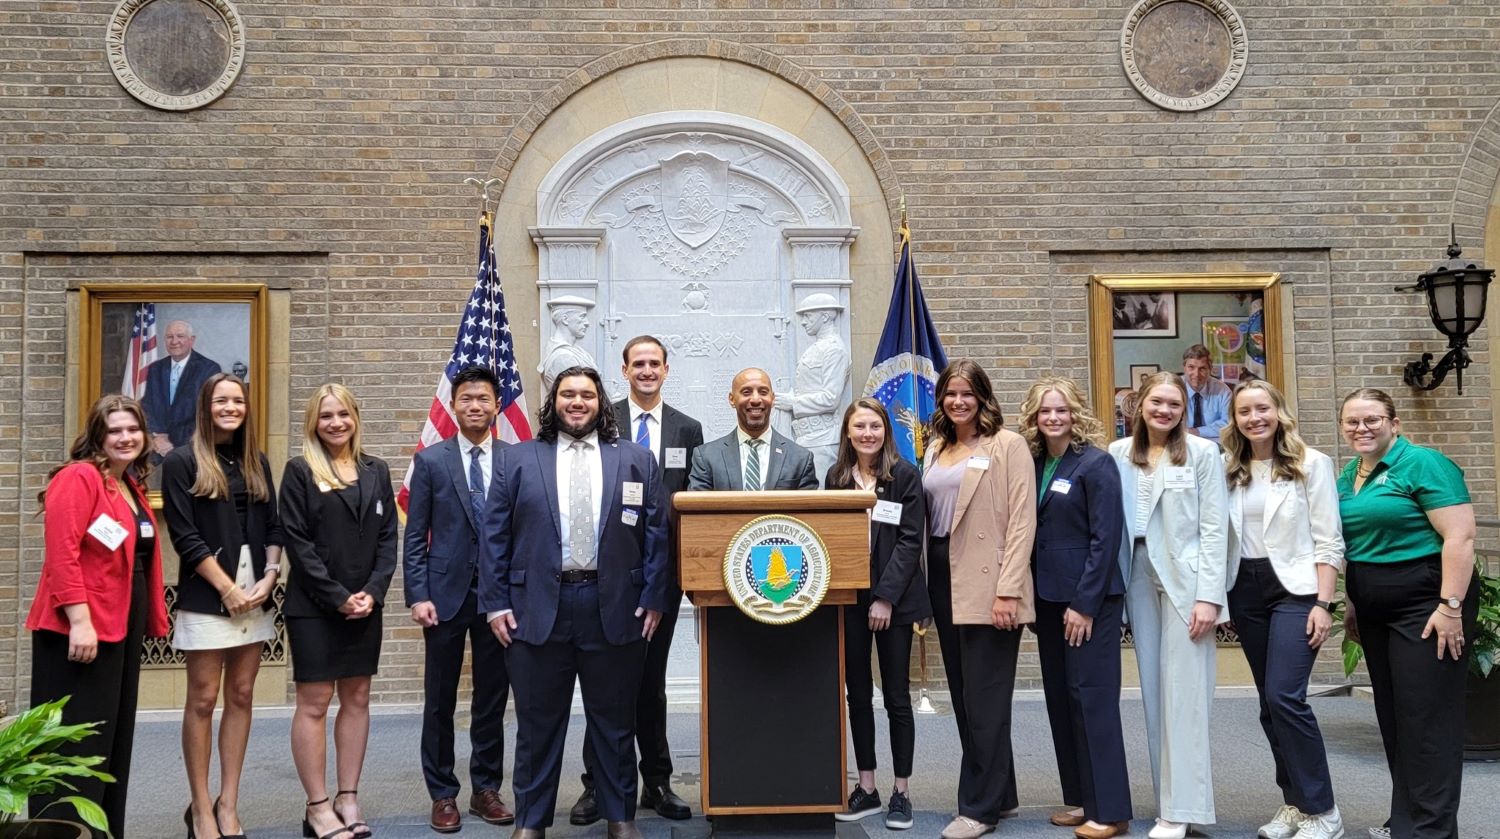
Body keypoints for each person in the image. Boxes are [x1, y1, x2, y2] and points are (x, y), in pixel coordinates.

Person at [481, 366, 670, 839]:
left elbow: (656, 536)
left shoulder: (636, 459)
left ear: (600, 402)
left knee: (614, 722)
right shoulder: (517, 460)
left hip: (616, 607)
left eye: (587, 394)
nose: (578, 402)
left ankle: (620, 816)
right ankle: (531, 821)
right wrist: (496, 603)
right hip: (536, 609)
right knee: (537, 725)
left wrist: (653, 597)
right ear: (555, 402)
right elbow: (494, 538)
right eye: (568, 394)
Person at [570, 336, 704, 825]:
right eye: (637, 364)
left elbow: (690, 506)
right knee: (605, 685)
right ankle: (595, 786)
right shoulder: (604, 424)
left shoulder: (689, 429)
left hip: (660, 579)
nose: (646, 371)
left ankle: (658, 781)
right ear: (624, 371)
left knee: (651, 682)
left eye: (654, 363)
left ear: (666, 369)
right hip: (605, 578)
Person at [1336, 388, 1479, 839]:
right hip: (1375, 609)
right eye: (1352, 421)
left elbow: (1460, 538)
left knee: (1427, 719)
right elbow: (1356, 546)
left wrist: (1450, 607)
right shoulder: (1348, 474)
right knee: (1396, 717)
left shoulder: (1423, 463)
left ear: (1394, 424)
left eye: (1372, 419)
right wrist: (1355, 603)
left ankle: (1431, 830)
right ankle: (1410, 823)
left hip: (1427, 603)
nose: (1362, 428)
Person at [26, 395, 170, 838]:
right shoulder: (79, 477)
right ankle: (59, 833)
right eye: (115, 431)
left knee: (109, 744)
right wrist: (81, 620)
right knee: (74, 747)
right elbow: (62, 555)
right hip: (79, 632)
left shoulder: (129, 485)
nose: (125, 438)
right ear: (98, 436)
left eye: (133, 429)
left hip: (118, 629)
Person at [1222, 380, 1345, 839]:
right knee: (1268, 705)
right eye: (1244, 411)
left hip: (1296, 590)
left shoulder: (1311, 464)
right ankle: (1294, 803)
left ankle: (1325, 811)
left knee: (1285, 697)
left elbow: (1329, 539)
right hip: (1246, 590)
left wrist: (1323, 602)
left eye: (1262, 408)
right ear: (1234, 419)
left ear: (1278, 412)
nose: (1254, 418)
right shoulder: (1227, 467)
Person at [1107, 371, 1228, 839]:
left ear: (1184, 410)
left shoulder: (1202, 453)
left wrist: (1209, 597)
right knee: (1155, 692)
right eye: (1157, 402)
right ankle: (1169, 801)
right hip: (1135, 574)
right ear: (1139, 404)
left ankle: (1180, 811)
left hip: (1186, 580)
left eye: (1174, 404)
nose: (1164, 411)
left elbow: (1216, 529)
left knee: (1186, 696)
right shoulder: (1118, 454)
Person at [161, 374, 283, 839]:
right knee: (204, 698)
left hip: (256, 597)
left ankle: (227, 803)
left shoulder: (257, 461)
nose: (230, 407)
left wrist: (271, 578)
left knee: (243, 695)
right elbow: (185, 537)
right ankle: (200, 808)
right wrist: (227, 589)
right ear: (205, 406)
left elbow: (275, 528)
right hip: (208, 597)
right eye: (221, 400)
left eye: (237, 400)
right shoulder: (181, 461)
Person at [923, 360, 1035, 839]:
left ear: (983, 397)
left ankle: (979, 809)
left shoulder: (1007, 445)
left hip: (990, 581)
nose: (958, 401)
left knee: (986, 697)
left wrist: (1008, 589)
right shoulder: (936, 445)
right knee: (967, 696)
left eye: (968, 393)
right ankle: (1001, 792)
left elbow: (1022, 521)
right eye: (950, 394)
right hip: (944, 575)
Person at [280, 384, 398, 839]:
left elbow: (388, 539)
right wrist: (336, 596)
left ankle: (349, 797)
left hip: (366, 605)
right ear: (314, 422)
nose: (335, 423)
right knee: (314, 703)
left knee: (358, 698)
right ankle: (318, 806)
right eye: (326, 416)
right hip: (314, 606)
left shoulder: (376, 470)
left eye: (342, 415)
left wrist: (372, 591)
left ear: (355, 418)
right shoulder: (299, 471)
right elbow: (297, 542)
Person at [1018, 377, 1131, 839]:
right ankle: (1083, 799)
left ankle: (1111, 812)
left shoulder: (1097, 464)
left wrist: (1084, 605)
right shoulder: (1036, 461)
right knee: (1063, 702)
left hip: (1089, 603)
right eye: (1045, 411)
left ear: (1076, 413)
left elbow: (1106, 540)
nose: (1053, 418)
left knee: (1093, 700)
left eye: (1061, 410)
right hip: (1048, 599)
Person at [402, 366, 514, 833]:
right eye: (466, 398)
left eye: (483, 399)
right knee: (440, 700)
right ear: (454, 405)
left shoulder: (516, 459)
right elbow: (414, 537)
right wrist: (417, 594)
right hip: (444, 597)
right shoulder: (431, 461)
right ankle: (443, 793)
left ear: (496, 406)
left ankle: (486, 788)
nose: (474, 406)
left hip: (500, 599)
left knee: (492, 698)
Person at [824, 398, 929, 831]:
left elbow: (909, 541)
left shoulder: (903, 476)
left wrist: (884, 597)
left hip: (895, 600)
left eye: (875, 426)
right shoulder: (836, 477)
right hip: (849, 598)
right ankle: (866, 786)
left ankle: (901, 791)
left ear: (886, 430)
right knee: (857, 694)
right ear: (848, 433)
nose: (868, 433)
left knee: (897, 696)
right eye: (859, 427)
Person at [687, 367, 819, 491]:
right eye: (746, 392)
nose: (756, 399)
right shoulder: (706, 457)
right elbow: (696, 511)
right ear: (732, 399)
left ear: (772, 399)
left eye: (763, 392)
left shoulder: (800, 458)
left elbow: (808, 512)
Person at [773, 293, 852, 481]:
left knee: (819, 498)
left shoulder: (834, 350)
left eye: (808, 316)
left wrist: (793, 402)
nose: (803, 322)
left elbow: (831, 398)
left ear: (825, 317)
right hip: (807, 436)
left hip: (823, 438)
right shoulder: (818, 347)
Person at [141, 319, 223, 456]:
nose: (174, 341)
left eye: (180, 336)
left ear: (192, 340)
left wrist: (173, 443)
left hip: (192, 446)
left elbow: (206, 414)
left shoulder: (209, 369)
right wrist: (157, 437)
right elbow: (148, 405)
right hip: (158, 446)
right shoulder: (155, 369)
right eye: (169, 337)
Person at [537, 296, 597, 392]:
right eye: (582, 317)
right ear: (565, 319)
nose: (587, 323)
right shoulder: (563, 357)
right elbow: (580, 393)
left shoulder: (576, 351)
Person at [1181, 344, 1230, 440]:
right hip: (1181, 443)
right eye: (1191, 367)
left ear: (1210, 370)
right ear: (1184, 368)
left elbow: (1228, 424)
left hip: (1215, 446)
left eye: (1202, 368)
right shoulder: (1174, 388)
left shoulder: (1222, 390)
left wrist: (1197, 432)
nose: (1196, 374)